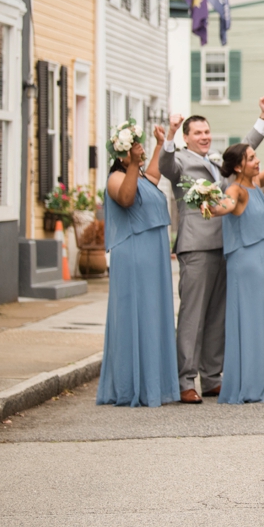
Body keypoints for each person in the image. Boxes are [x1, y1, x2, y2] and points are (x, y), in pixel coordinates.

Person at [159, 112, 264, 403]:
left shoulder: (218, 163)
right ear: (186, 137)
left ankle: (211, 377)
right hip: (197, 245)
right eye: (198, 133)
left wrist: (263, 120)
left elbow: (242, 151)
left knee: (218, 316)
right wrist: (168, 135)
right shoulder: (180, 161)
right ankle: (185, 380)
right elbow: (164, 165)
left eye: (207, 131)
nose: (204, 136)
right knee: (193, 316)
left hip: (226, 245)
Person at [97, 125, 180, 407]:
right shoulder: (115, 178)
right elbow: (126, 198)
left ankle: (152, 383)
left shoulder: (141, 174)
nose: (141, 149)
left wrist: (160, 143)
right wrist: (132, 164)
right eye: (136, 146)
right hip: (134, 255)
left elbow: (154, 177)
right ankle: (129, 385)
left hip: (153, 256)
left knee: (152, 314)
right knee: (135, 313)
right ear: (122, 153)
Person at [206, 143, 264, 403]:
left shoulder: (255, 184)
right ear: (238, 166)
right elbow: (225, 206)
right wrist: (211, 206)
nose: (257, 161)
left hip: (263, 261)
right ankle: (250, 384)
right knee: (251, 320)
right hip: (246, 264)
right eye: (251, 158)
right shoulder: (236, 189)